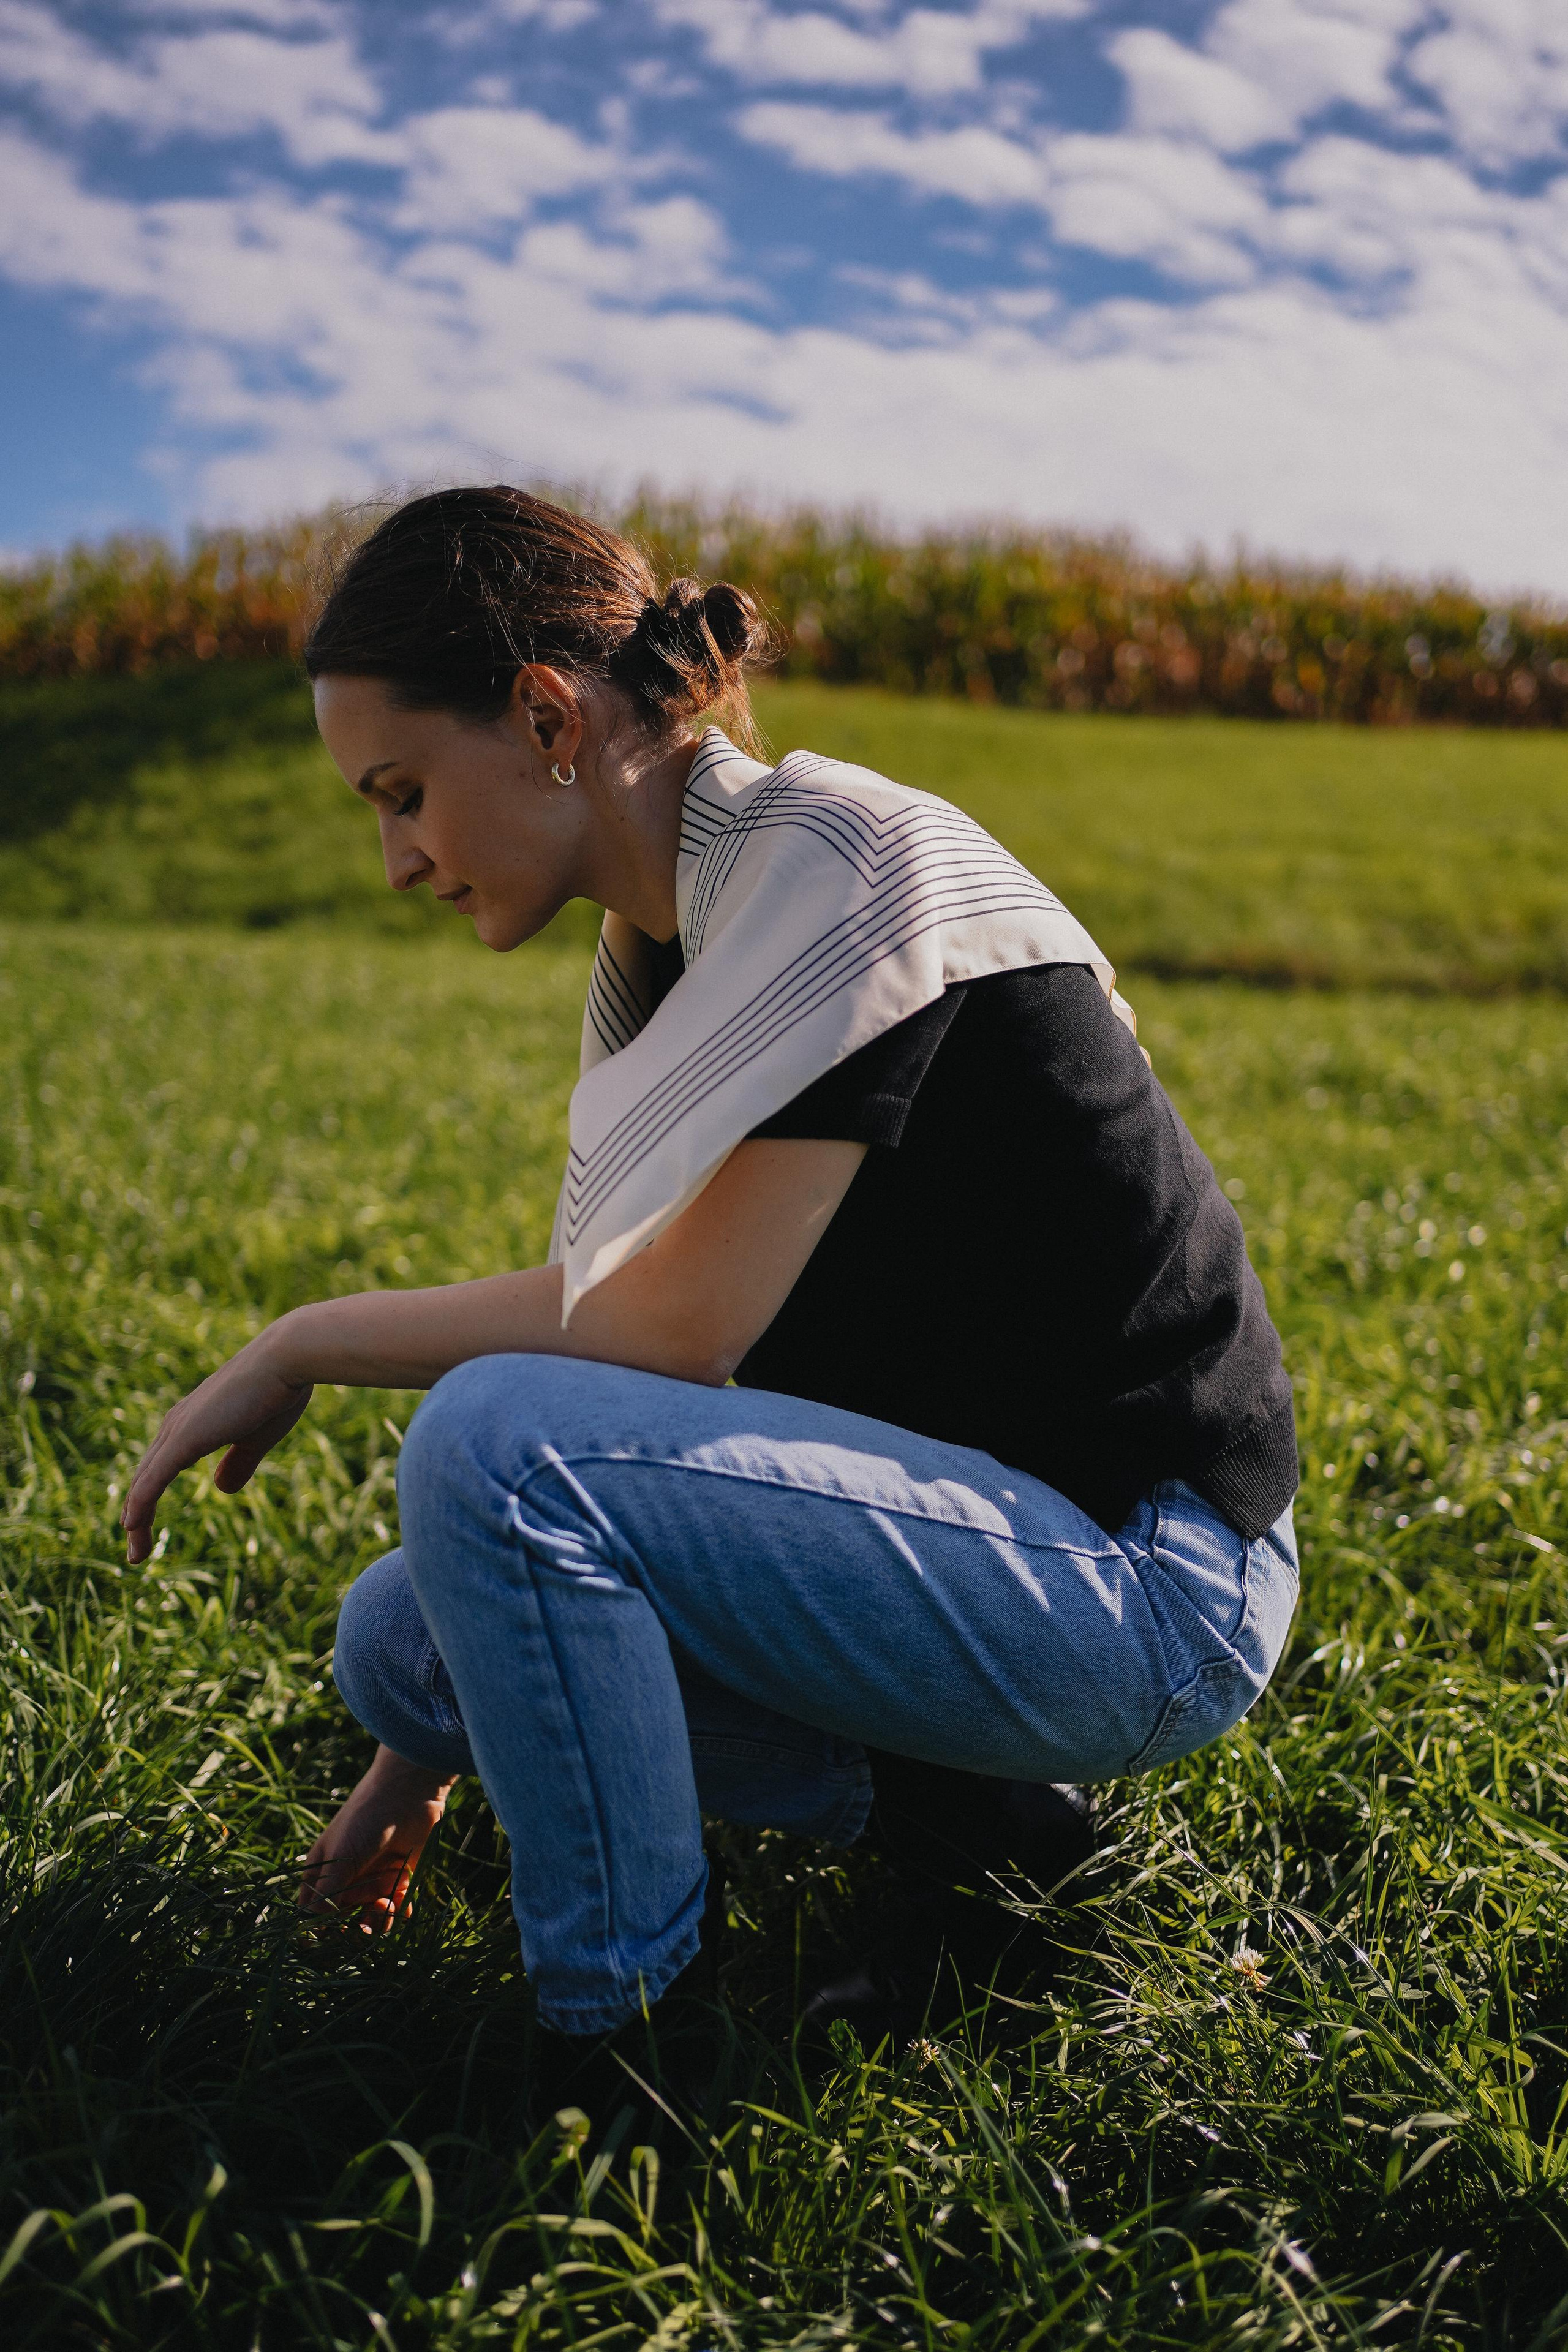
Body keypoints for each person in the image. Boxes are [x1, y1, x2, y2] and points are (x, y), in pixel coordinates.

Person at [121, 486, 1299, 2101]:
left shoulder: (842, 876)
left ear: (545, 716)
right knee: (409, 1640)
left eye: (401, 795)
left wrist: (304, 1339)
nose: (394, 860)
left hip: (1143, 1580)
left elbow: (669, 1336)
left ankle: (623, 2053)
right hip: (978, 1532)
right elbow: (670, 1364)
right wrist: (415, 1768)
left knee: (493, 1446)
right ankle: (992, 1833)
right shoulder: (674, 952)